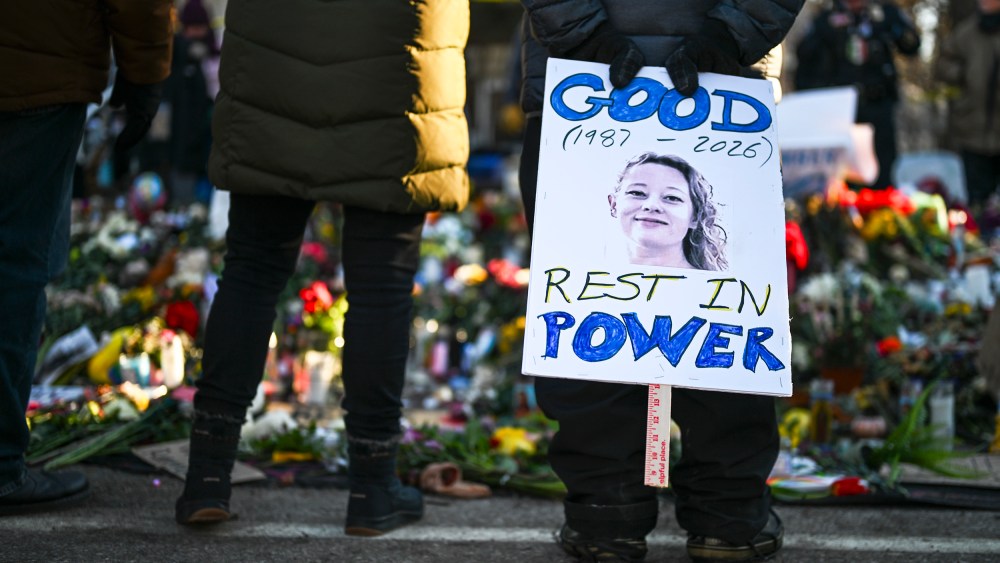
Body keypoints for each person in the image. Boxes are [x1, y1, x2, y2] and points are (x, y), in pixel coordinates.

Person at [517, 0, 802, 560]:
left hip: (583, 84)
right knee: (725, 313)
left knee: (588, 305)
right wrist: (730, 37)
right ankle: (728, 518)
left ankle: (606, 515)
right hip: (724, 89)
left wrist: (584, 36)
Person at [174, 0, 470, 537]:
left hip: (274, 61)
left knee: (252, 271)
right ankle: (372, 488)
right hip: (397, 62)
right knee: (381, 288)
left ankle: (206, 477)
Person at [0, 1, 172, 514]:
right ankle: (3, 465)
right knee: (15, 264)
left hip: (35, 64)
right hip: (36, 73)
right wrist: (145, 72)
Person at [795, 0, 921, 190]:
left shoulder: (884, 13)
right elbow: (803, 57)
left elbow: (912, 45)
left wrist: (888, 24)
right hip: (841, 111)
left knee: (883, 171)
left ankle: (883, 213)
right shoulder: (826, 19)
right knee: (844, 176)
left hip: (878, 105)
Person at [935, 0, 1000, 219]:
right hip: (973, 130)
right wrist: (964, 74)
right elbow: (943, 65)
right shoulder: (966, 32)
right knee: (977, 203)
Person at [609, 153, 727, 271]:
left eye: (672, 198)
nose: (651, 206)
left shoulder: (718, 287)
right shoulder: (595, 279)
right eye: (637, 193)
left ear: (695, 217)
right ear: (614, 205)